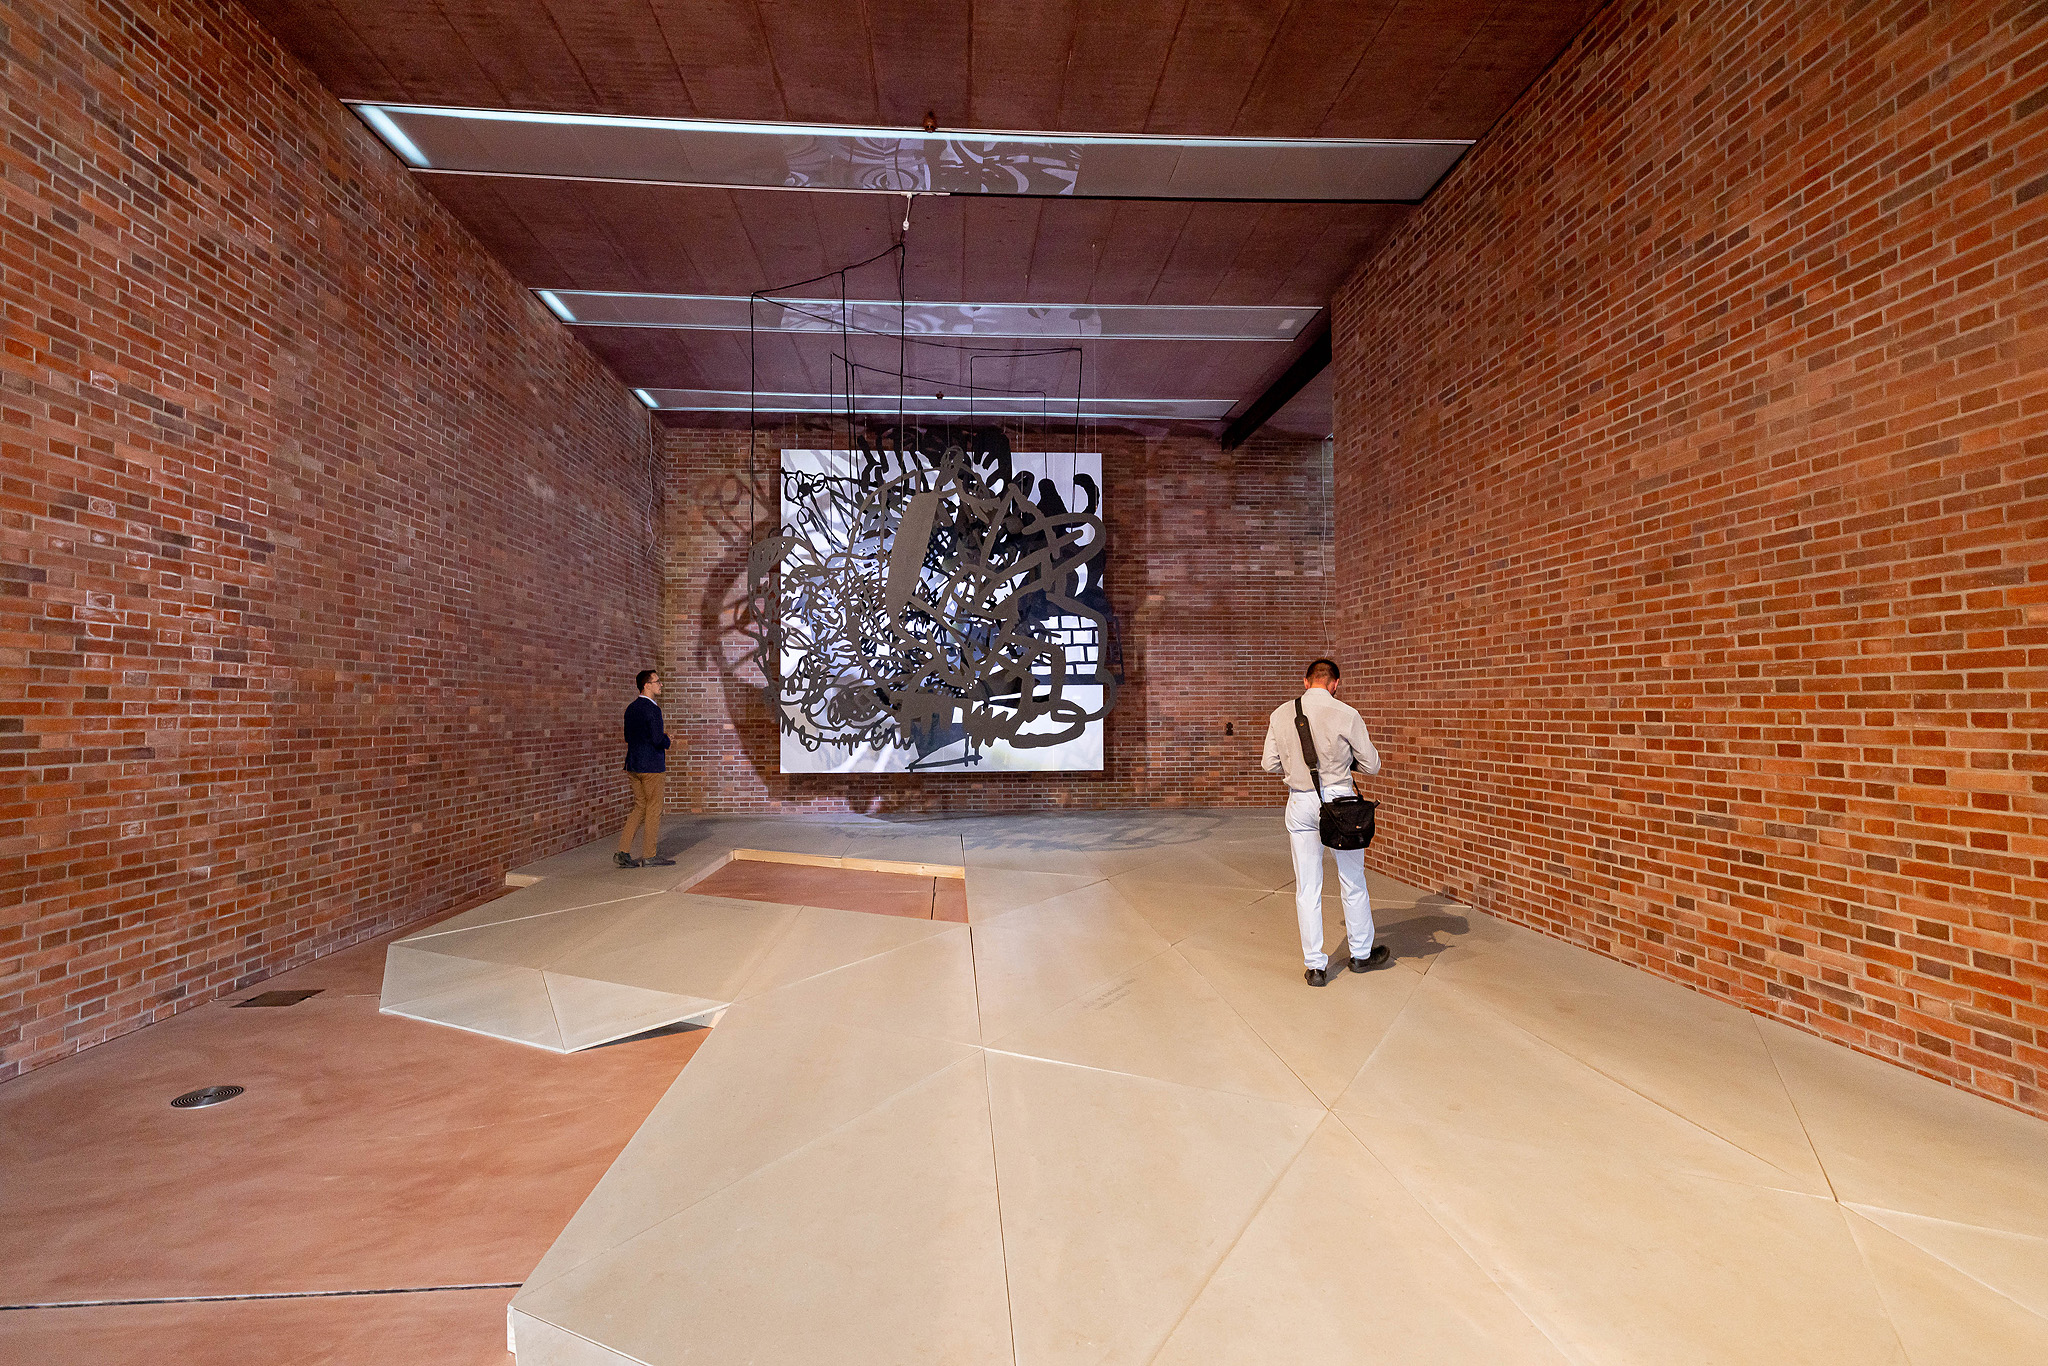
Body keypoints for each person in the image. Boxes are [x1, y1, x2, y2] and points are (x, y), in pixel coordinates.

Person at [1262, 658, 1387, 986]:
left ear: (1306, 682)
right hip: (1340, 805)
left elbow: (1269, 763)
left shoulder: (1280, 714)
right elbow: (1372, 765)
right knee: (1352, 880)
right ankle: (1360, 955)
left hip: (1300, 802)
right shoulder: (1346, 714)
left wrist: (1296, 767)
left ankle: (1316, 967)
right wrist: (1343, 764)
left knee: (1307, 887)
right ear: (1335, 684)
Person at [616, 669, 675, 868]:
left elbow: (628, 736)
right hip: (651, 767)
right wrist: (667, 739)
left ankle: (623, 851)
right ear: (646, 685)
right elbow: (657, 740)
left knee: (640, 806)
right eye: (657, 681)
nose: (661, 684)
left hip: (633, 764)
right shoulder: (653, 709)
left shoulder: (631, 708)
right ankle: (649, 855)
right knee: (654, 809)